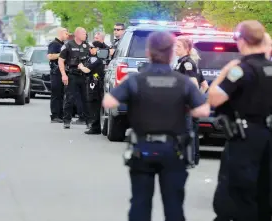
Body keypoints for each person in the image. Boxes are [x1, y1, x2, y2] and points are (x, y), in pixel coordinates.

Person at [102, 31, 210, 221]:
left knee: (140, 203)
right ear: (171, 54)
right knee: (174, 204)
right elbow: (203, 111)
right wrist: (183, 108)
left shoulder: (136, 80)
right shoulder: (182, 81)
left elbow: (109, 102)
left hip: (142, 148)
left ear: (148, 53)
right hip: (173, 149)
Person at [208, 20, 272, 221]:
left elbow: (215, 98)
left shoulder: (241, 69)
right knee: (265, 190)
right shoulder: (270, 69)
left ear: (241, 40)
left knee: (239, 190)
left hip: (246, 137)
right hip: (268, 136)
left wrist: (225, 71)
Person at [174, 38, 203, 165]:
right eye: (176, 46)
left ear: (187, 49)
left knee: (186, 131)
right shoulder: (180, 62)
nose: (176, 48)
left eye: (179, 46)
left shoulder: (187, 63)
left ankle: (187, 159)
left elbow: (194, 84)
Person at [59, 27, 90, 129]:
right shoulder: (68, 45)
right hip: (72, 75)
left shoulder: (87, 45)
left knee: (86, 98)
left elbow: (93, 56)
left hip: (84, 76)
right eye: (84, 33)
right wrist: (63, 74)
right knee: (69, 98)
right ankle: (67, 120)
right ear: (77, 34)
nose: (85, 35)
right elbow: (61, 60)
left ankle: (87, 121)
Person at [78, 41, 105, 134]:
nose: (90, 49)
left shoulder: (96, 60)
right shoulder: (96, 59)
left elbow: (87, 70)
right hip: (94, 83)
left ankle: (95, 127)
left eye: (92, 47)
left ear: (97, 49)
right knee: (93, 104)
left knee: (93, 105)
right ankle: (95, 126)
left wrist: (81, 66)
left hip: (95, 84)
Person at [48, 27, 69, 123]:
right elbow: (50, 56)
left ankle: (60, 115)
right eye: (66, 33)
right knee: (56, 94)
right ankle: (55, 115)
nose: (67, 35)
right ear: (60, 33)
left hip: (62, 72)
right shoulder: (54, 44)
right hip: (56, 72)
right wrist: (62, 54)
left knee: (61, 94)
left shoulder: (63, 44)